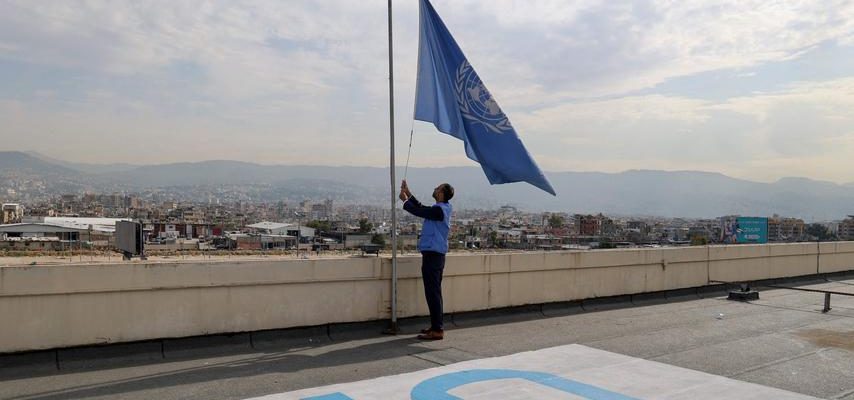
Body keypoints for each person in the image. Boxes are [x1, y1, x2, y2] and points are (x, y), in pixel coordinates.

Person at [399, 179, 454, 340]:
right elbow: (423, 207)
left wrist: (405, 202)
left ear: (442, 193)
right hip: (435, 254)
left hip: (434, 254)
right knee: (434, 292)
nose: (435, 189)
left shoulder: (439, 211)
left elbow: (420, 212)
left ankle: (437, 330)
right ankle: (436, 326)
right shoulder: (441, 209)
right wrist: (409, 194)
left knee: (433, 293)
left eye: (437, 188)